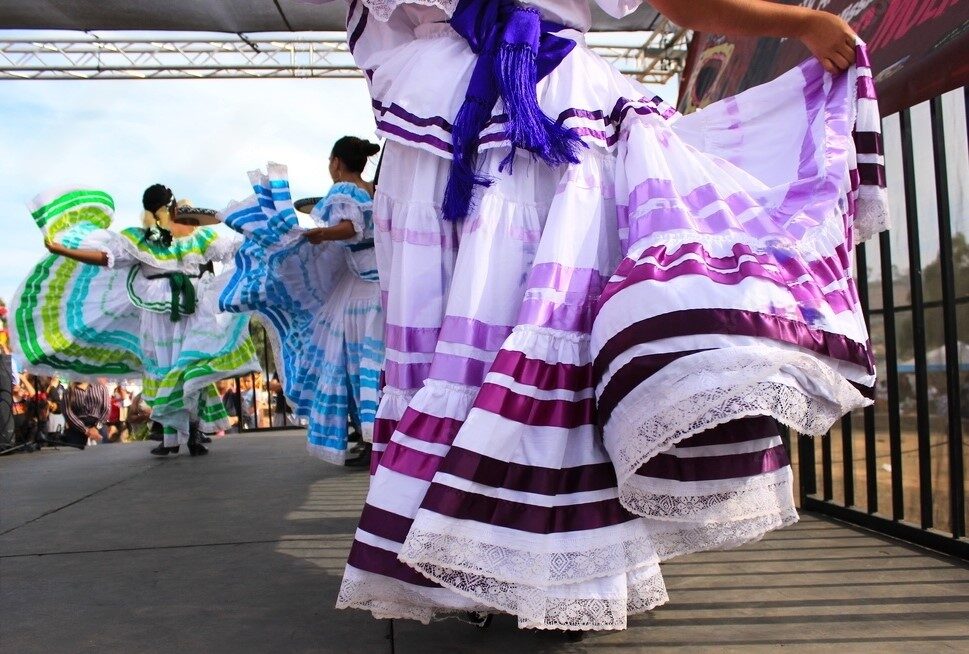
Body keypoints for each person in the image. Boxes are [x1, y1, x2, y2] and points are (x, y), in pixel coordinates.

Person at [306, 0, 890, 633]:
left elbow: (381, 33)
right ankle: (533, 566)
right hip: (539, 103)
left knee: (467, 329)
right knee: (553, 322)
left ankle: (473, 563)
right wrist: (799, 22)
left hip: (439, 117)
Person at [11, 185, 260, 457]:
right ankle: (173, 438)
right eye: (169, 208)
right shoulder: (141, 240)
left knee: (185, 368)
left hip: (189, 308)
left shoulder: (195, 237)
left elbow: (230, 250)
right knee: (171, 369)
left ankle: (190, 435)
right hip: (160, 313)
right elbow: (107, 258)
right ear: (166, 209)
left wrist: (257, 237)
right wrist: (63, 250)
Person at [220, 138, 385, 465]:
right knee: (377, 363)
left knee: (348, 364)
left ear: (337, 163)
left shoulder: (345, 191)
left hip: (358, 294)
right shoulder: (376, 189)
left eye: (329, 161)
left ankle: (371, 440)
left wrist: (319, 235)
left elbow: (349, 228)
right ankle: (380, 434)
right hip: (382, 284)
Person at [60, 380, 109, 449]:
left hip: (99, 427)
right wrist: (85, 430)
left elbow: (106, 410)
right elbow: (67, 413)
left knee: (101, 455)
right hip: (77, 428)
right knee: (77, 456)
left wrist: (96, 428)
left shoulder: (101, 387)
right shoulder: (69, 391)